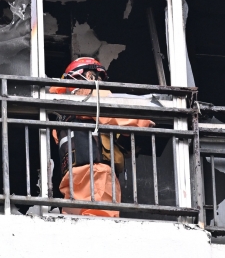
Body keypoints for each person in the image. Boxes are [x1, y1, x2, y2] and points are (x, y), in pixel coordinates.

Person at [50, 56, 153, 218]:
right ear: (89, 76)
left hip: (71, 178)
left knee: (75, 221)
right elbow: (118, 112)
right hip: (96, 173)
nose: (100, 82)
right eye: (97, 77)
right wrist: (145, 120)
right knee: (100, 220)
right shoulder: (91, 95)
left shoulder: (63, 115)